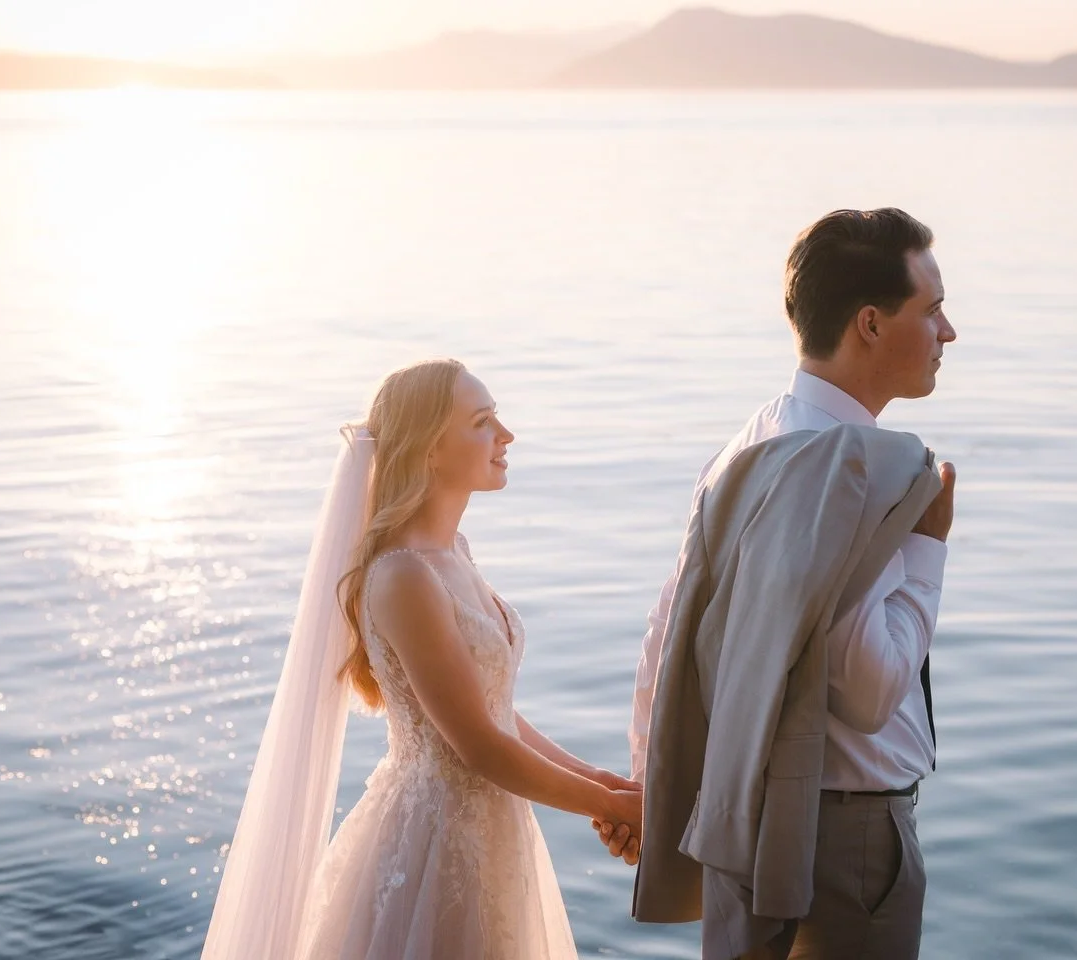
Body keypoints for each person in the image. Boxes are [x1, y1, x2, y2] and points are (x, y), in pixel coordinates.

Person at [202, 359, 643, 960]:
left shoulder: (453, 552)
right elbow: (479, 746)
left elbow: (496, 711)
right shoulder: (404, 576)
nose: (506, 436)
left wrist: (599, 780)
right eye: (484, 422)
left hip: (494, 834)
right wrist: (613, 808)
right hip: (435, 848)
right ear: (431, 449)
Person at [605, 208, 958, 960]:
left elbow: (668, 636)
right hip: (847, 841)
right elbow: (868, 693)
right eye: (931, 311)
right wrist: (928, 548)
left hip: (747, 824)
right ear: (870, 323)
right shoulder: (849, 469)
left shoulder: (752, 440)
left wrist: (650, 784)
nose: (948, 332)